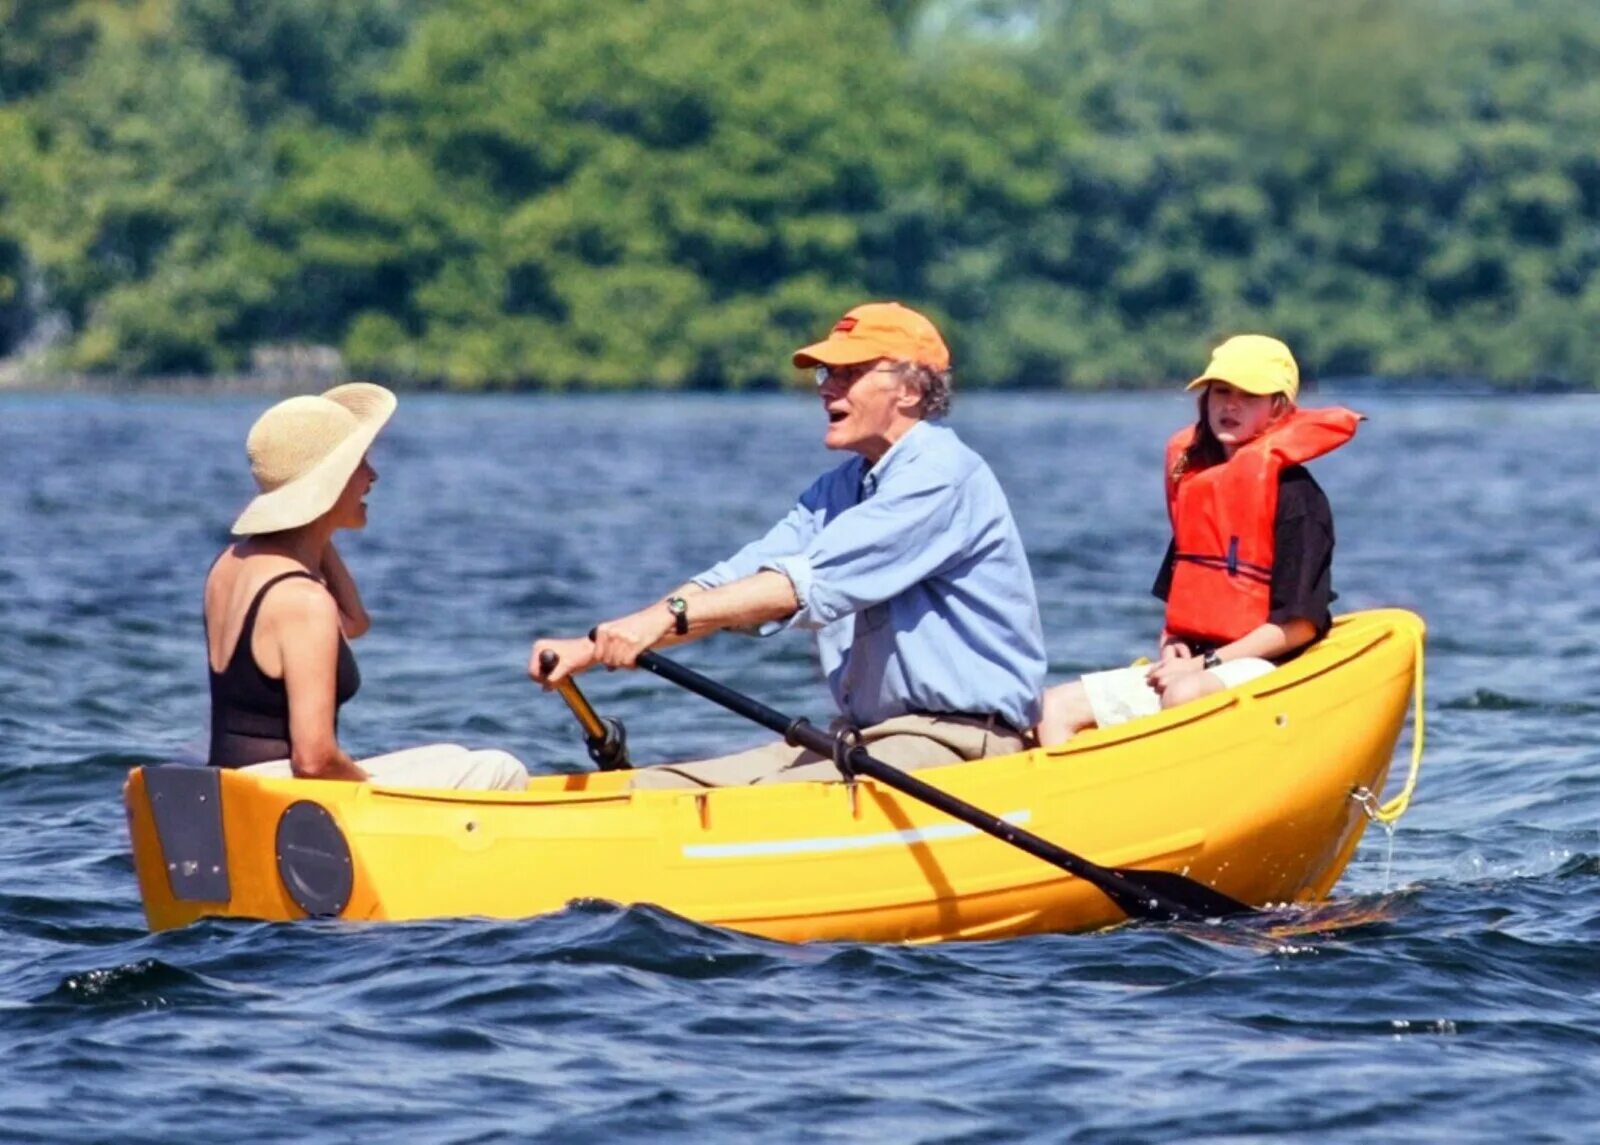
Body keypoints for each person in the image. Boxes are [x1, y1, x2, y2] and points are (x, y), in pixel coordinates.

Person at [531, 302, 1046, 787]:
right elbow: (736, 580)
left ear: (909, 390)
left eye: (849, 373)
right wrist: (594, 645)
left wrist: (662, 620)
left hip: (957, 743)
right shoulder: (840, 488)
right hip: (864, 739)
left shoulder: (939, 475)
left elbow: (801, 587)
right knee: (656, 786)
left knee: (748, 804)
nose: (827, 390)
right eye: (826, 375)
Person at [1035, 335, 1361, 745]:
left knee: (1184, 694)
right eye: (1221, 391)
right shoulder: (1200, 488)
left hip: (1269, 666)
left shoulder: (1298, 499)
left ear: (1278, 408)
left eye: (1250, 395)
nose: (1230, 405)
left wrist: (1206, 664)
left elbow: (1297, 628)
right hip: (1196, 668)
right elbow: (1179, 605)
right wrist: (1172, 645)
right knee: (1052, 709)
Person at [205, 382, 529, 790]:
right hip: (280, 797)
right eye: (359, 463)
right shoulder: (303, 601)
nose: (372, 475)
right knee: (502, 769)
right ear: (331, 480)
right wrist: (379, 798)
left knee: (453, 757)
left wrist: (316, 531)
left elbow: (354, 622)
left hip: (235, 783)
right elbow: (314, 759)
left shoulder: (230, 565)